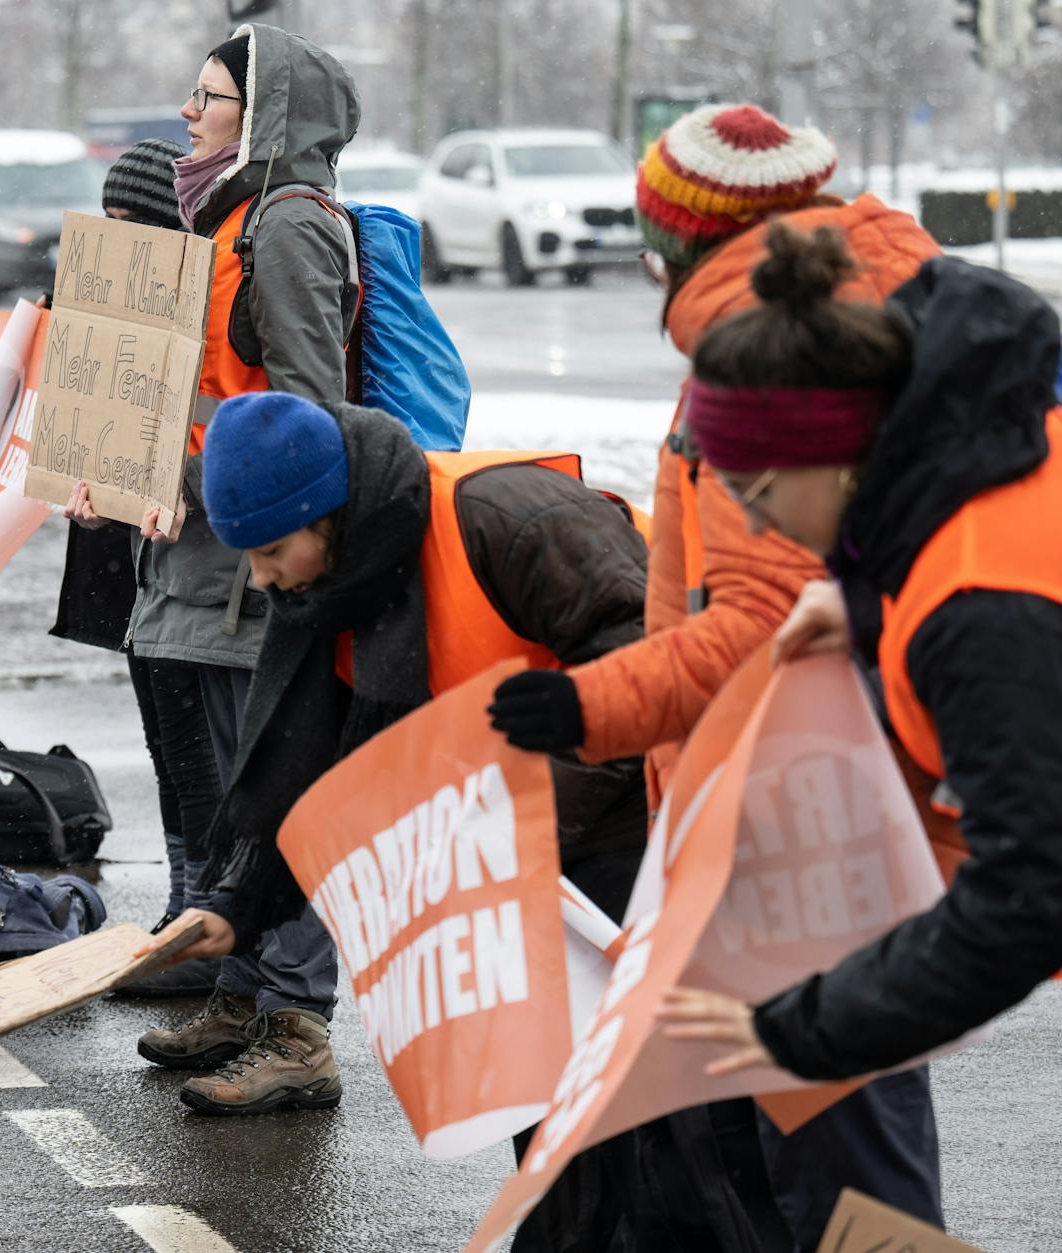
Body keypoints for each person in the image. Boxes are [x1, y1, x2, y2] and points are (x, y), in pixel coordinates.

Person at [157, 392, 787, 1249]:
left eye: (270, 552)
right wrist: (237, 906)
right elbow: (315, 775)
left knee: (680, 1120)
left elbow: (653, 670)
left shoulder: (506, 520)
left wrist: (513, 827)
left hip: (668, 799)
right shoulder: (334, 585)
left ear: (328, 515)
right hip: (536, 836)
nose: (263, 581)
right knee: (557, 1098)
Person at [482, 103, 946, 1249]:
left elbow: (758, 621)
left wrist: (593, 706)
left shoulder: (770, 359)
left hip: (793, 810)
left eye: (655, 233)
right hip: (834, 796)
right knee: (821, 1140)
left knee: (838, 1159)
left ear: (692, 238)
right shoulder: (857, 311)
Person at [655, 226, 1062, 1136]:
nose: (759, 533)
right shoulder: (987, 444)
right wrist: (870, 601)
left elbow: (1030, 897)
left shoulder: (976, 608)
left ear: (834, 456)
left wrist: (804, 1032)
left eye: (757, 496)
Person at [123, 23, 365, 1114]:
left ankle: (294, 1025)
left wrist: (181, 446)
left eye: (209, 95)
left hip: (251, 568)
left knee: (281, 795)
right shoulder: (230, 216)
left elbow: (308, 410)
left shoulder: (284, 227)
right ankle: (238, 991)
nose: (187, 110)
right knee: (232, 796)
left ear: (263, 116)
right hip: (207, 552)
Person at [53, 139, 224, 997]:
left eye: (134, 224)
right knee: (164, 738)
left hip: (191, 556)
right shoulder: (116, 301)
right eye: (108, 222)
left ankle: (199, 921)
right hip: (140, 554)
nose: (118, 239)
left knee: (191, 743)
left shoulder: (197, 304)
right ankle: (179, 904)